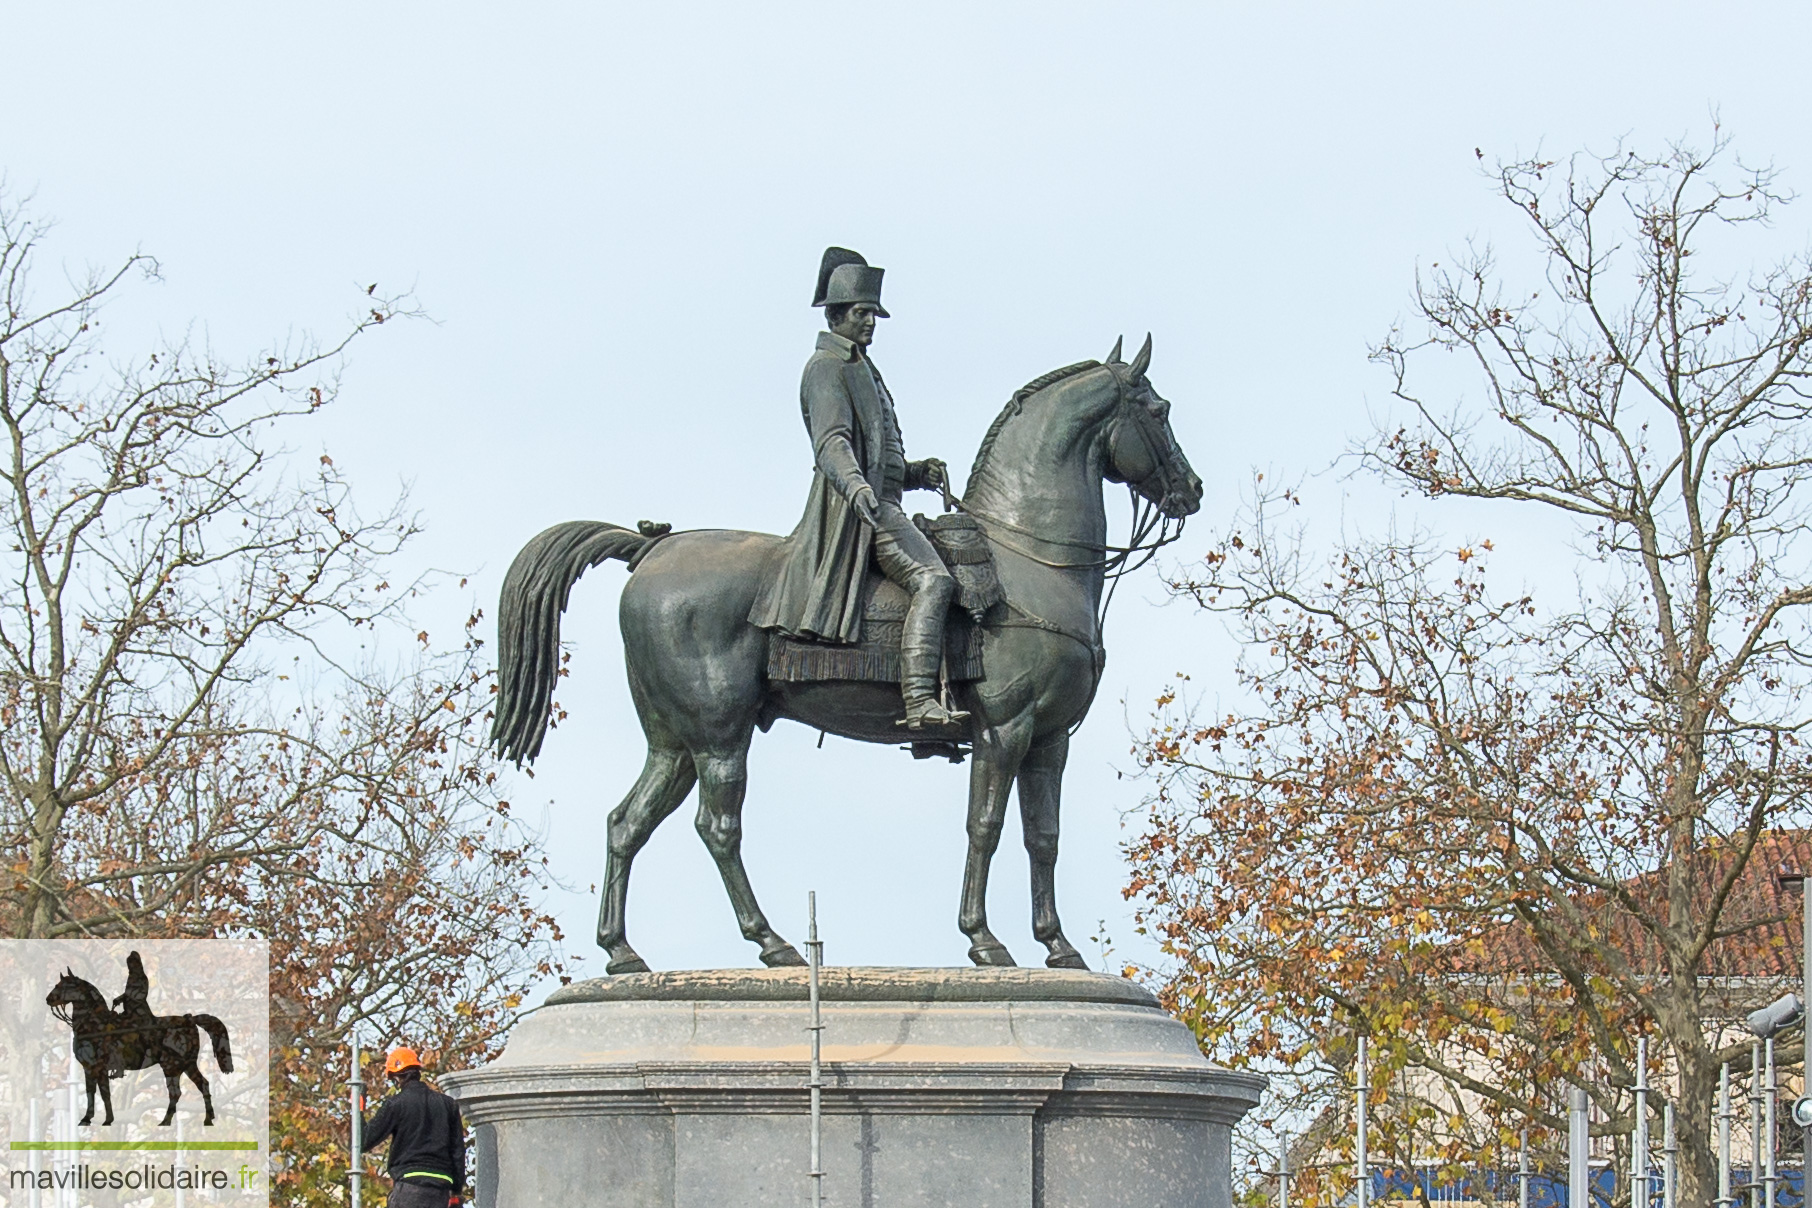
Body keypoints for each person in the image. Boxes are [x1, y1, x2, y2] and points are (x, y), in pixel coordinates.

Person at [749, 247, 969, 731]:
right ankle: (919, 702)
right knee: (934, 581)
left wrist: (913, 472)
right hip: (861, 513)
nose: (871, 322)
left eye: (874, 314)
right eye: (863, 313)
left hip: (881, 501)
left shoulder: (862, 366)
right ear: (836, 315)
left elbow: (879, 455)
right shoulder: (827, 367)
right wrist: (855, 489)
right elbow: (832, 443)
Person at [360, 1047, 466, 1208]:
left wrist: (358, 1106)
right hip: (441, 1190)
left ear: (396, 1078)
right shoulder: (448, 1104)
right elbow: (458, 1151)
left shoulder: (396, 1104)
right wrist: (456, 1191)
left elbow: (363, 1141)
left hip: (410, 1186)